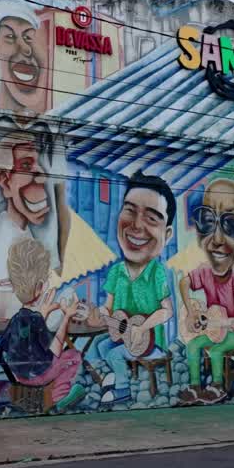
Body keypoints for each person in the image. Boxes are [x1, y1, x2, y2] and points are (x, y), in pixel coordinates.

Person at [0, 124, 68, 316]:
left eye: (37, 164)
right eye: (26, 165)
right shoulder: (1, 243)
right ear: (4, 180)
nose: (42, 176)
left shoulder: (21, 234)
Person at [93, 172, 175, 405]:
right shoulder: (116, 272)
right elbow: (107, 309)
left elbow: (167, 310)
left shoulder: (156, 272)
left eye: (152, 218)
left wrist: (143, 327)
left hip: (147, 343)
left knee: (112, 353)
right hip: (124, 338)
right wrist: (99, 315)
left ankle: (122, 390)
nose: (137, 225)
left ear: (167, 235)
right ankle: (111, 378)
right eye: (129, 211)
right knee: (98, 347)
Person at [178, 179, 234, 406]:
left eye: (230, 224)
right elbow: (184, 283)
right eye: (207, 221)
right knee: (193, 345)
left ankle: (217, 386)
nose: (217, 240)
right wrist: (191, 311)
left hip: (229, 332)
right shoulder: (204, 272)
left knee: (219, 349)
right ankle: (194, 387)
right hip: (211, 329)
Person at [0, 237, 88, 412]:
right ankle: (60, 396)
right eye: (46, 277)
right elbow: (55, 350)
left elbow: (5, 346)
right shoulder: (36, 320)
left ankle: (22, 394)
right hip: (39, 375)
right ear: (40, 286)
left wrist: (43, 313)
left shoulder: (16, 319)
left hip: (19, 375)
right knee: (73, 355)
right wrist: (67, 317)